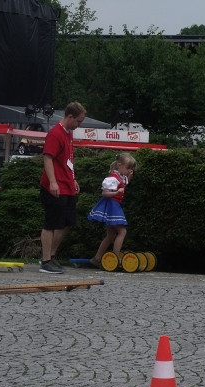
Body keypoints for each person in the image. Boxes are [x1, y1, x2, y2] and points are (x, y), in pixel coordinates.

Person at [39, 101, 87, 274]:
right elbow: (48, 158)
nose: (79, 125)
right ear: (70, 117)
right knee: (51, 224)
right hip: (55, 187)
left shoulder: (68, 134)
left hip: (67, 185)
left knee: (67, 222)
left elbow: (67, 159)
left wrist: (72, 178)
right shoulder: (56, 134)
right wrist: (53, 182)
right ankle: (45, 261)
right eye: (78, 121)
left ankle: (51, 256)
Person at [87, 153, 137, 268]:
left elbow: (122, 186)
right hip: (111, 205)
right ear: (120, 165)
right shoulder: (113, 178)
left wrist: (129, 178)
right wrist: (116, 193)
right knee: (122, 232)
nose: (129, 170)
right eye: (128, 168)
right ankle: (116, 258)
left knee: (111, 234)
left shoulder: (120, 177)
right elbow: (104, 193)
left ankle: (97, 258)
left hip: (114, 205)